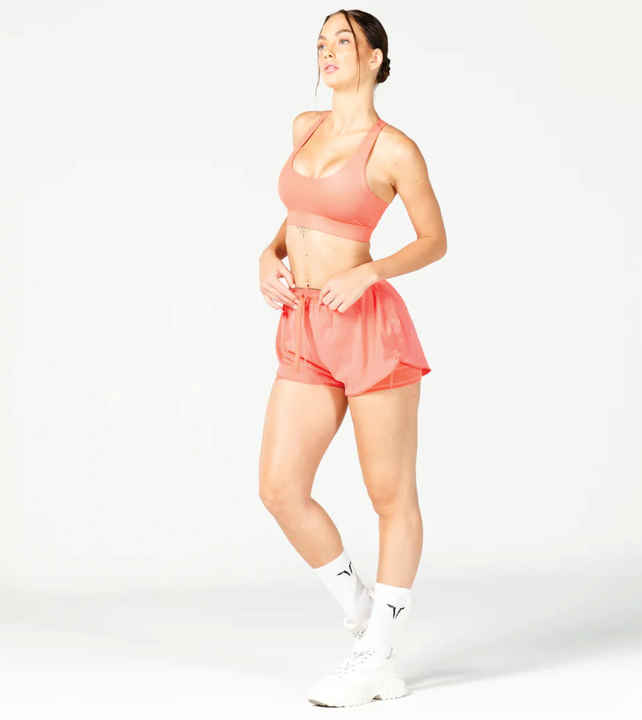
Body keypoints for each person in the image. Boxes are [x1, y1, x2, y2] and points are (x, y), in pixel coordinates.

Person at [258, 8, 446, 707]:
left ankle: (376, 658)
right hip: (305, 322)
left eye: (344, 41)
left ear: (374, 59)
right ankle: (365, 615)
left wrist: (369, 272)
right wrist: (268, 254)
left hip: (367, 326)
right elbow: (297, 218)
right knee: (280, 486)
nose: (328, 51)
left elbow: (433, 239)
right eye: (320, 42)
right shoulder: (305, 128)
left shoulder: (394, 149)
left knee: (389, 494)